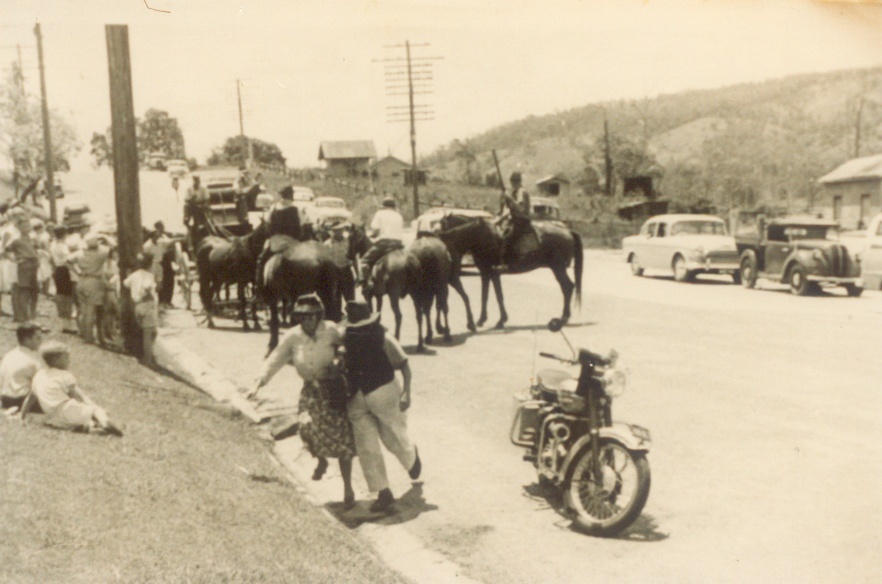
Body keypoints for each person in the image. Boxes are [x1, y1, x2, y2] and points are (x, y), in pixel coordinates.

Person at [249, 294, 356, 507]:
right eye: (302, 317)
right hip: (310, 392)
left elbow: (349, 346)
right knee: (306, 429)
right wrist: (259, 382)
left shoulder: (331, 330)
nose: (306, 321)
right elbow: (275, 359)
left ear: (318, 316)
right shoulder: (292, 336)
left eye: (310, 316)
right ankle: (322, 461)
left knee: (342, 440)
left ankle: (348, 489)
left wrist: (340, 357)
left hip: (332, 391)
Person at [342, 300, 420, 513]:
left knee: (392, 435)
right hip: (356, 397)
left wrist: (406, 392)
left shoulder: (384, 338)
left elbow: (404, 365)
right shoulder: (345, 338)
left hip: (383, 391)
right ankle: (383, 492)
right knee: (367, 446)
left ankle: (411, 457)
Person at [30, 341, 122, 435]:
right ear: (56, 360)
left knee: (74, 421)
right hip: (66, 410)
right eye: (66, 357)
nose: (69, 360)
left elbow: (30, 399)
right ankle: (105, 423)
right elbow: (75, 396)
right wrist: (88, 407)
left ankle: (89, 428)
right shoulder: (65, 375)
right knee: (95, 410)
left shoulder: (39, 375)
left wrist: (22, 415)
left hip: (53, 416)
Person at [256, 186, 303, 289]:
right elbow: (302, 225)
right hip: (293, 244)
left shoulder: (274, 208)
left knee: (261, 260)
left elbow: (267, 224)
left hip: (275, 243)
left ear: (281, 195)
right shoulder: (296, 209)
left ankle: (259, 288)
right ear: (291, 196)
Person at [359, 194, 404, 288]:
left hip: (384, 243)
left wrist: (372, 235)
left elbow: (376, 230)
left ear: (384, 206)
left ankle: (367, 282)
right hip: (398, 244)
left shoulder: (379, 213)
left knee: (364, 261)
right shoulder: (399, 215)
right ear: (393, 206)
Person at [123, 253, 158, 368]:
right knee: (150, 333)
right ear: (150, 264)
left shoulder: (134, 275)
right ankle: (147, 359)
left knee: (146, 331)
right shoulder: (149, 276)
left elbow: (126, 284)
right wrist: (145, 293)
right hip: (146, 304)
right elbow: (147, 287)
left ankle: (146, 355)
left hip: (137, 306)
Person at [0, 323, 44, 413]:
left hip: (5, 400)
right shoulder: (33, 359)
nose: (41, 341)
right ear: (27, 340)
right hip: (23, 400)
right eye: (38, 338)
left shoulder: (9, 355)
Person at [74, 234, 109, 344]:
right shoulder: (101, 253)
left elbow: (67, 260)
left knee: (83, 309)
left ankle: (83, 333)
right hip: (93, 281)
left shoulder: (80, 253)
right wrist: (105, 237)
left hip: (81, 279)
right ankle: (88, 337)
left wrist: (77, 271)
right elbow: (113, 246)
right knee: (90, 311)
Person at [6, 217, 40, 323]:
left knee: (35, 291)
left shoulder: (33, 238)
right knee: (24, 290)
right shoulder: (16, 239)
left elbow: (37, 249)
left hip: (34, 265)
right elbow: (5, 251)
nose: (27, 228)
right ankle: (25, 317)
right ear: (19, 227)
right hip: (23, 265)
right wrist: (14, 260)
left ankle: (33, 315)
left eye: (28, 225)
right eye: (24, 226)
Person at [49, 226, 77, 334]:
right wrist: (76, 271)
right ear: (64, 234)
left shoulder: (53, 244)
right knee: (68, 296)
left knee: (61, 295)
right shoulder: (62, 246)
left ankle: (65, 324)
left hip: (57, 270)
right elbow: (67, 261)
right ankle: (69, 325)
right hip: (64, 270)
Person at [324, 222, 355, 316]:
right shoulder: (327, 244)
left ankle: (352, 321)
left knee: (350, 300)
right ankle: (337, 318)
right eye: (335, 231)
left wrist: (358, 274)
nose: (338, 232)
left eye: (340, 230)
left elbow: (354, 258)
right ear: (332, 232)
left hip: (346, 271)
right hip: (333, 273)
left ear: (343, 230)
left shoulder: (349, 242)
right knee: (335, 300)